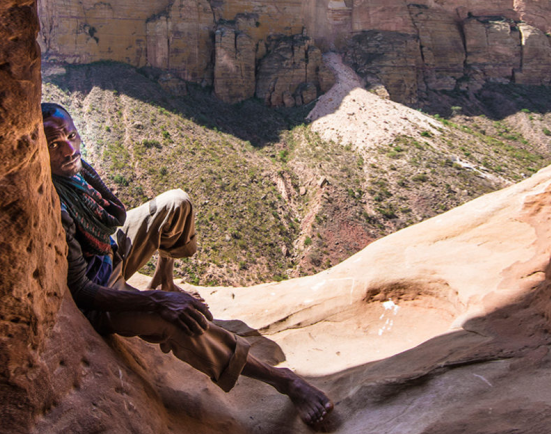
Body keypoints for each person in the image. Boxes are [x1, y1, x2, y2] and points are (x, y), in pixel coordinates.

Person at [41, 102, 333, 426]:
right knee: (179, 322)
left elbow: (108, 217)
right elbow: (81, 290)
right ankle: (285, 381)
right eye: (55, 144)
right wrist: (157, 302)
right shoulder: (56, 206)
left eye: (71, 135)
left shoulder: (73, 172)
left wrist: (163, 291)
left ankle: (165, 279)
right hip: (100, 293)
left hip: (110, 251)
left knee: (176, 202)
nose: (69, 149)